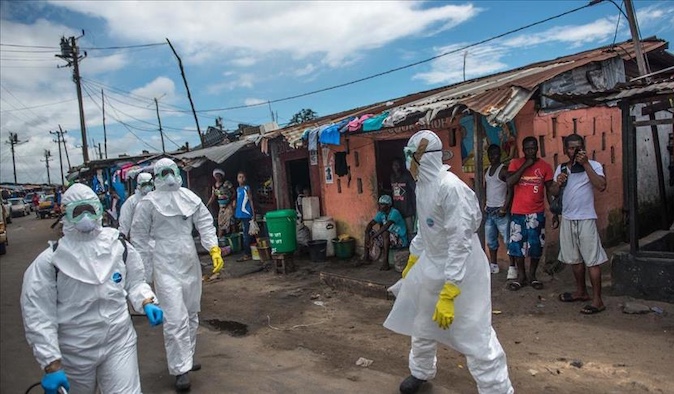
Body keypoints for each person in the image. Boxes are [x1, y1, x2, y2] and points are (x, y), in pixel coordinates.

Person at [384, 130, 513, 394]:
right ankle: (420, 372)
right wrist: (413, 259)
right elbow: (425, 230)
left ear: (423, 158)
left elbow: (459, 242)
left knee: (475, 334)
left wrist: (451, 289)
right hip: (431, 264)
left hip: (463, 269)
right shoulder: (422, 185)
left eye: (411, 157)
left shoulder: (451, 188)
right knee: (421, 323)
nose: (408, 163)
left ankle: (497, 390)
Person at [21, 183, 164, 394]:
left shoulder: (119, 247)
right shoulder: (50, 262)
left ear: (99, 209)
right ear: (65, 214)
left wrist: (146, 300)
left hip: (118, 341)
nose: (85, 217)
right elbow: (38, 315)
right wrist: (51, 363)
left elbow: (134, 282)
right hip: (74, 352)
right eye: (77, 212)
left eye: (90, 209)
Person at [131, 158, 223, 391]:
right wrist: (144, 273)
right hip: (164, 261)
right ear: (156, 177)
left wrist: (213, 247)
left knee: (191, 314)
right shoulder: (148, 203)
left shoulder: (189, 198)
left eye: (172, 171)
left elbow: (205, 222)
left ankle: (187, 358)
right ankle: (179, 369)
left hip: (189, 260)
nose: (169, 176)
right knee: (174, 317)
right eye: (163, 173)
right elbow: (139, 238)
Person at [552, 134, 608, 314]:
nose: (574, 151)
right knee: (574, 259)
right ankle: (581, 292)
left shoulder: (594, 165)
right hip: (568, 218)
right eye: (570, 148)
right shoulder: (561, 168)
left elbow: (601, 185)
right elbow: (553, 192)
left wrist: (585, 164)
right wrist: (558, 183)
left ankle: (597, 300)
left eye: (578, 147)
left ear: (584, 148)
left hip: (586, 218)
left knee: (592, 260)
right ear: (565, 150)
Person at [506, 136, 554, 291]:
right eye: (527, 149)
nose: (530, 151)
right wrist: (525, 166)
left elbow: (549, 190)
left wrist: (554, 210)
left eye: (533, 148)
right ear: (523, 149)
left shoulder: (545, 167)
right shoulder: (515, 163)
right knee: (516, 247)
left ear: (537, 148)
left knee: (535, 246)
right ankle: (521, 276)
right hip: (518, 212)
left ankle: (532, 276)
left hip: (536, 213)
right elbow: (510, 182)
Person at [484, 144, 516, 278]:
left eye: (496, 154)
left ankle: (512, 267)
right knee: (491, 241)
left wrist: (504, 208)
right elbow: (486, 189)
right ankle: (494, 265)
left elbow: (510, 190)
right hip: (489, 210)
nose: (493, 157)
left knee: (508, 240)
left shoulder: (503, 170)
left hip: (500, 211)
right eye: (491, 154)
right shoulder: (487, 170)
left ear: (500, 155)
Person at [364, 195, 408, 271]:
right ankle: (366, 258)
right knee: (369, 231)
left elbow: (386, 226)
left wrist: (373, 237)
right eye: (380, 204)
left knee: (385, 232)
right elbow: (371, 224)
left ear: (389, 205)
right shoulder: (381, 213)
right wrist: (367, 232)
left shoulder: (394, 212)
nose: (380, 206)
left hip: (400, 240)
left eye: (383, 204)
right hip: (389, 238)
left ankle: (386, 263)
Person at [119, 172, 153, 240]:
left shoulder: (155, 199)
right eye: (144, 184)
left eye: (150, 184)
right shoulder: (132, 201)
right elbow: (125, 218)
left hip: (154, 237)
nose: (147, 187)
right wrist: (123, 234)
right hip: (138, 238)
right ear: (138, 185)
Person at [390, 157, 417, 241]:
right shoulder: (392, 177)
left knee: (411, 231)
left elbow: (414, 189)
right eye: (394, 165)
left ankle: (412, 250)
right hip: (397, 209)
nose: (396, 167)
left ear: (401, 165)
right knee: (400, 230)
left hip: (407, 208)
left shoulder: (407, 176)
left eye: (398, 165)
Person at [206, 168, 235, 241]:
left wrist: (229, 200)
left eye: (219, 175)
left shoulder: (227, 183)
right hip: (221, 207)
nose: (218, 177)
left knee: (231, 221)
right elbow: (213, 197)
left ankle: (234, 237)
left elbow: (234, 192)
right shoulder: (214, 186)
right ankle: (219, 239)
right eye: (216, 176)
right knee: (220, 223)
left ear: (222, 176)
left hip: (228, 205)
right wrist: (207, 205)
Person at [234, 170, 255, 262]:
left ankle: (247, 254)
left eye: (243, 177)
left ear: (245, 178)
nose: (241, 179)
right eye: (239, 177)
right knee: (245, 234)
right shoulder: (238, 189)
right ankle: (248, 253)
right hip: (240, 214)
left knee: (246, 235)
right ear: (237, 179)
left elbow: (251, 200)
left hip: (246, 214)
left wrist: (253, 214)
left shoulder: (247, 188)